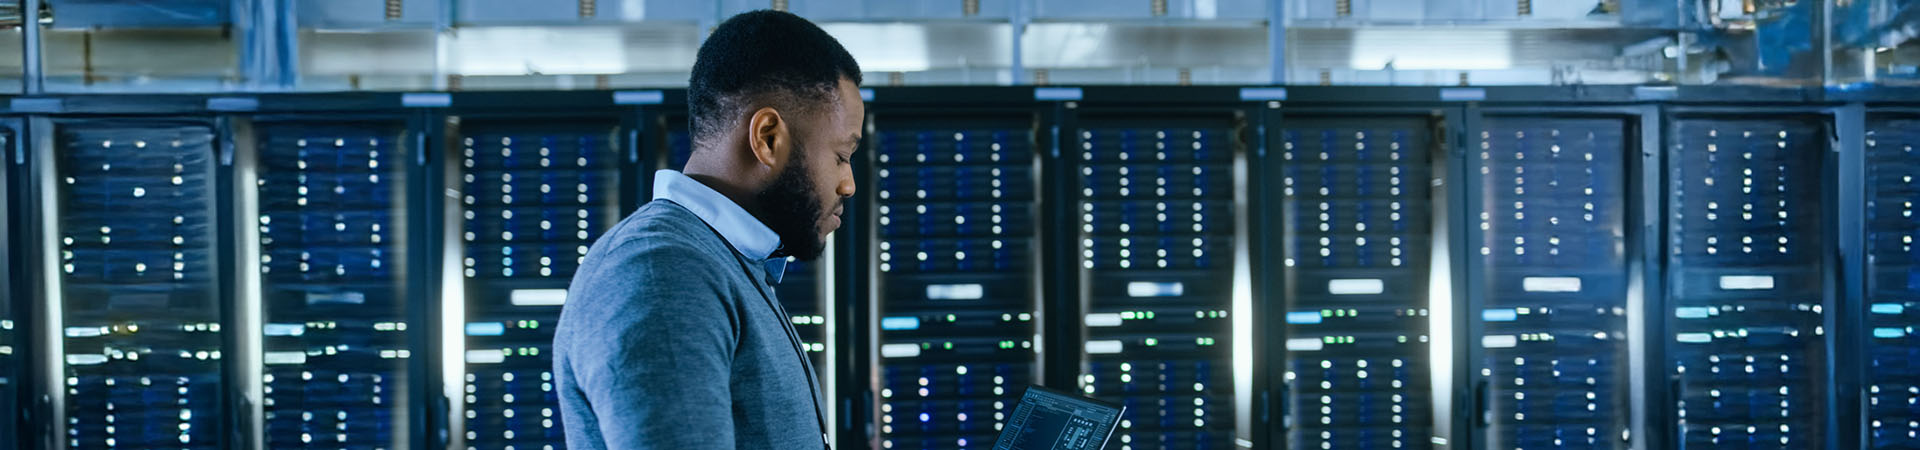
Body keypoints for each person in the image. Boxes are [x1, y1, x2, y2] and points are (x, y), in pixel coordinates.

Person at [551, 9, 863, 449]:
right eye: (841, 156)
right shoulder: (663, 273)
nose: (848, 185)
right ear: (768, 137)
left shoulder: (721, 261)